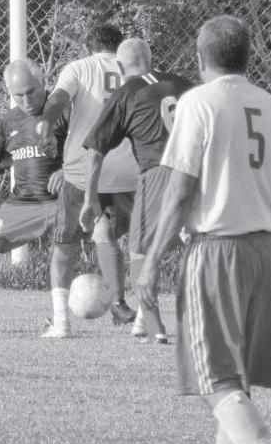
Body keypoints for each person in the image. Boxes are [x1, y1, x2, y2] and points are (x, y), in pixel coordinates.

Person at [134, 15, 271, 444]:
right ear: (247, 57)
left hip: (217, 252)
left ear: (200, 57)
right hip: (264, 252)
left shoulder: (198, 103)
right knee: (235, 381)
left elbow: (180, 191)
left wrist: (151, 260)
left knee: (215, 380)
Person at [80, 37, 193, 343]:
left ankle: (156, 330)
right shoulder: (184, 84)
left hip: (159, 172)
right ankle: (170, 321)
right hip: (200, 171)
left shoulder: (126, 92)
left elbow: (95, 150)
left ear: (120, 66)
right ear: (151, 59)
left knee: (140, 250)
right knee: (199, 244)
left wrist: (90, 199)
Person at [37, 24, 139, 339]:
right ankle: (121, 304)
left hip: (83, 171)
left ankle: (61, 323)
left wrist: (45, 126)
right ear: (119, 47)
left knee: (64, 243)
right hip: (127, 172)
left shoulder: (79, 67)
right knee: (113, 236)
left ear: (88, 47)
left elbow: (58, 99)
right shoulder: (134, 69)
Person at [0, 59, 67, 332]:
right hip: (23, 203)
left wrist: (68, 171)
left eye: (31, 92)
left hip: (64, 201)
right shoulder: (9, 121)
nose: (26, 100)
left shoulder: (64, 111)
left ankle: (116, 305)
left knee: (67, 250)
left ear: (44, 83)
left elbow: (92, 148)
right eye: (19, 95)